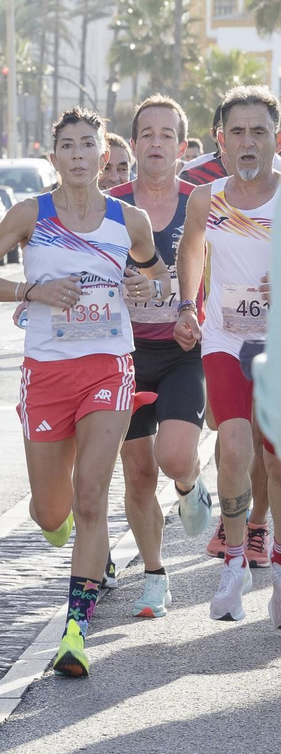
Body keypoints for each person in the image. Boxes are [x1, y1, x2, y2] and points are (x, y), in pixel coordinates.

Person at [0, 107, 165, 678]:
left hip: (109, 367)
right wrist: (34, 289)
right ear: (53, 157)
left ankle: (74, 630)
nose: (79, 155)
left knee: (90, 496)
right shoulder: (31, 213)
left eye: (88, 146)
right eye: (68, 146)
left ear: (105, 156)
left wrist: (142, 281)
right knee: (52, 510)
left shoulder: (130, 221)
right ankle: (61, 530)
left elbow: (161, 279)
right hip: (47, 372)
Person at [173, 85, 281, 625]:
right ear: (220, 139)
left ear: (274, 138)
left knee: (277, 458)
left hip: (279, 343)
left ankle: (278, 569)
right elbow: (191, 252)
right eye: (236, 131)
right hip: (225, 337)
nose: (247, 141)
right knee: (235, 448)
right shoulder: (204, 198)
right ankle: (234, 563)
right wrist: (186, 308)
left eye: (258, 131)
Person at [109, 94, 213, 620]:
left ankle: (192, 485)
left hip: (179, 353)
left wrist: (196, 312)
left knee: (173, 458)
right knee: (138, 475)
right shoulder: (110, 205)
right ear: (132, 145)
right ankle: (154, 577)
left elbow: (222, 273)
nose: (155, 143)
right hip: (123, 354)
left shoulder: (201, 202)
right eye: (146, 134)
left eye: (166, 134)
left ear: (182, 146)